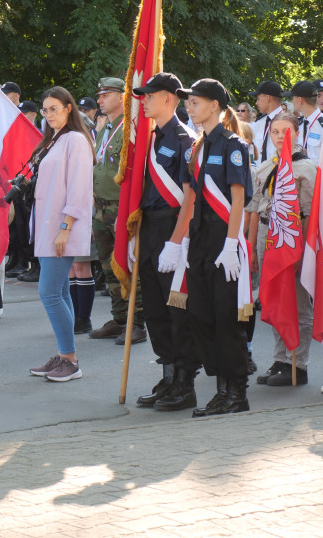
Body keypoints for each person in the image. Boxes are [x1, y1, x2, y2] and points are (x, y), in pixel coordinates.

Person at [165, 79, 253, 417]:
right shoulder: (196, 149)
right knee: (200, 316)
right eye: (188, 102)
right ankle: (221, 388)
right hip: (199, 241)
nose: (190, 107)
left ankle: (236, 392)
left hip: (224, 241)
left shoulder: (234, 145)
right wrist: (180, 242)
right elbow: (190, 198)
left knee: (226, 318)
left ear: (215, 105)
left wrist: (232, 243)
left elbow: (238, 198)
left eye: (196, 102)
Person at [132, 73, 199, 410]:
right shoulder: (150, 138)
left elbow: (190, 196)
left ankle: (185, 383)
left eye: (149, 95)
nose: (144, 100)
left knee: (177, 308)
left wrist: (176, 241)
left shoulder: (186, 140)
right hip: (150, 227)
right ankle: (168, 374)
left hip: (174, 228)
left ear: (169, 99)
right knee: (155, 307)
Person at [20, 87, 94, 383]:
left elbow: (78, 189)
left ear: (68, 108)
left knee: (48, 292)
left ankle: (71, 359)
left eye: (55, 108)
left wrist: (65, 228)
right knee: (60, 291)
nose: (49, 114)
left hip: (62, 228)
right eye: (46, 109)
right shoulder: (55, 141)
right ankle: (64, 356)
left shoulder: (75, 140)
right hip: (47, 227)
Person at [246, 114, 317, 387]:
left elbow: (309, 214)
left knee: (297, 301)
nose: (279, 136)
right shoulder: (266, 167)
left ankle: (298, 362)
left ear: (296, 133)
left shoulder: (306, 169)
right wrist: (252, 249)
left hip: (291, 238)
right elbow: (254, 210)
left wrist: (304, 252)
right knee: (274, 297)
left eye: (285, 131)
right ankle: (280, 358)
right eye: (274, 131)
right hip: (266, 234)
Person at [89, 77, 142, 345]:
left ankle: (138, 322)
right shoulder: (106, 128)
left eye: (105, 95)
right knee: (109, 267)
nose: (99, 100)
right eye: (99, 95)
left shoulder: (128, 129)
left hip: (121, 208)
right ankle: (120, 319)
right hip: (101, 209)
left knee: (128, 264)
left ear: (122, 96)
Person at [290, 80, 323, 186]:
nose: (292, 101)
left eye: (293, 98)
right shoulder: (301, 123)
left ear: (299, 100)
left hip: (318, 184)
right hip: (300, 181)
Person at [248, 81, 284, 165]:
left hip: (277, 174)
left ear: (268, 98)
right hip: (259, 174)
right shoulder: (260, 122)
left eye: (258, 99)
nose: (256, 103)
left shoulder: (287, 122)